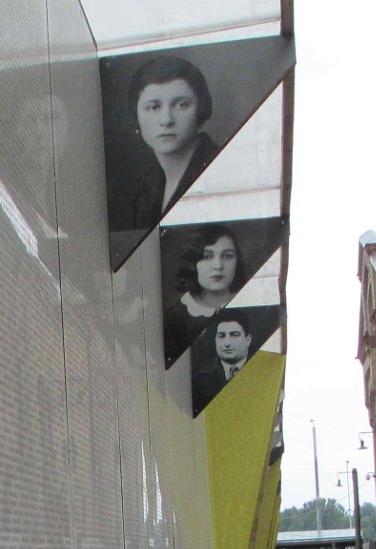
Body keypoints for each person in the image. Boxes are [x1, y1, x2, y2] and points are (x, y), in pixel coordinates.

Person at [108, 55, 220, 240]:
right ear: (136, 115)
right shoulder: (144, 191)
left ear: (201, 109)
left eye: (181, 105)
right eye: (153, 107)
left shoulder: (218, 169)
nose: (166, 120)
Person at [164, 224, 246, 361]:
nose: (218, 266)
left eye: (227, 256)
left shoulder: (247, 302)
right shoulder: (176, 316)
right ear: (192, 262)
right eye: (207, 256)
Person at [192, 315, 253, 409]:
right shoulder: (199, 377)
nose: (227, 343)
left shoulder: (261, 371)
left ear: (248, 340)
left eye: (234, 335)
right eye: (221, 336)